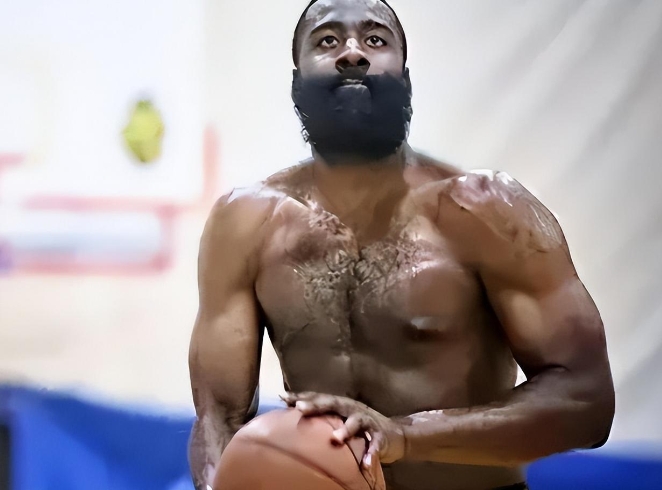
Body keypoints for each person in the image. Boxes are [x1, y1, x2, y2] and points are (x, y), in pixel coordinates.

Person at [188, 0, 615, 488]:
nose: (352, 52)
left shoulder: (488, 211)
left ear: (405, 79)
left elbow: (586, 401)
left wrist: (406, 437)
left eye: (375, 39)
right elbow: (217, 417)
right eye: (327, 41)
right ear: (296, 80)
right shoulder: (244, 223)